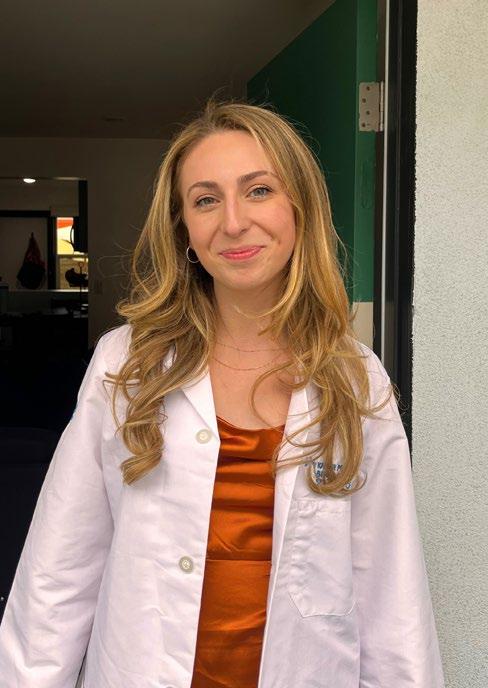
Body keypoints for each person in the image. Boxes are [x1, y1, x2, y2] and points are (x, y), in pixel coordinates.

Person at [0, 98, 445, 688]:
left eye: (259, 190)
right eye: (206, 200)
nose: (233, 222)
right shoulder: (126, 364)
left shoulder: (355, 380)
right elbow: (58, 571)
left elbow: (393, 598)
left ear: (300, 208)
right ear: (184, 229)